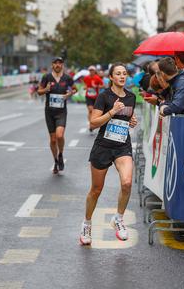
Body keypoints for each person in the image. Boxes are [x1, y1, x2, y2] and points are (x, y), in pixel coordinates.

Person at [80, 63, 137, 245]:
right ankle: (87, 223)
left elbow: (127, 118)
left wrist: (131, 120)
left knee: (127, 183)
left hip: (122, 146)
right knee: (96, 190)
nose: (122, 76)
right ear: (111, 77)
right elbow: (93, 122)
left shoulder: (131, 97)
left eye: (124, 74)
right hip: (103, 146)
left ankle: (118, 219)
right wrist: (112, 111)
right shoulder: (104, 96)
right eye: (118, 74)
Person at [38, 57, 77, 175]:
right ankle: (55, 160)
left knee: (60, 136)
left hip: (61, 111)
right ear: (52, 65)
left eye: (60, 63)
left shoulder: (67, 78)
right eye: (55, 63)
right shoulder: (47, 77)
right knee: (53, 139)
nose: (58, 65)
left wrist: (69, 94)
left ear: (63, 65)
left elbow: (74, 89)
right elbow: (39, 92)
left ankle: (61, 154)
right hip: (49, 112)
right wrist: (46, 89)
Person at [83, 66, 104, 132]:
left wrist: (96, 86)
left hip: (95, 97)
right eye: (90, 70)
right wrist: (85, 87)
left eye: (92, 70)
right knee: (90, 110)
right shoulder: (86, 78)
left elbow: (102, 85)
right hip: (88, 96)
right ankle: (91, 124)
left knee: (95, 112)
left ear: (95, 71)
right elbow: (85, 85)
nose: (91, 72)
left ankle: (93, 123)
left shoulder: (97, 78)